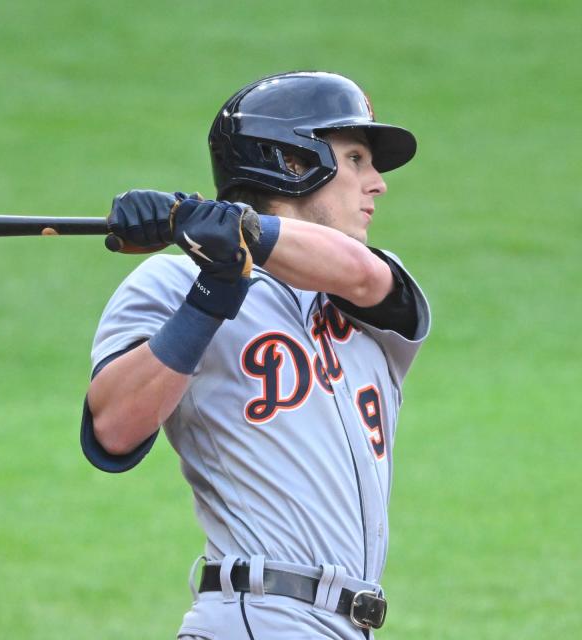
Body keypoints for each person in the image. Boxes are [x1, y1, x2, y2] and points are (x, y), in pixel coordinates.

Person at [81, 71, 431, 639]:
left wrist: (234, 230)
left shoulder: (374, 298)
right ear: (293, 161)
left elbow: (362, 275)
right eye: (357, 159)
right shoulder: (171, 281)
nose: (378, 184)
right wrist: (209, 299)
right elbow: (114, 429)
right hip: (256, 614)